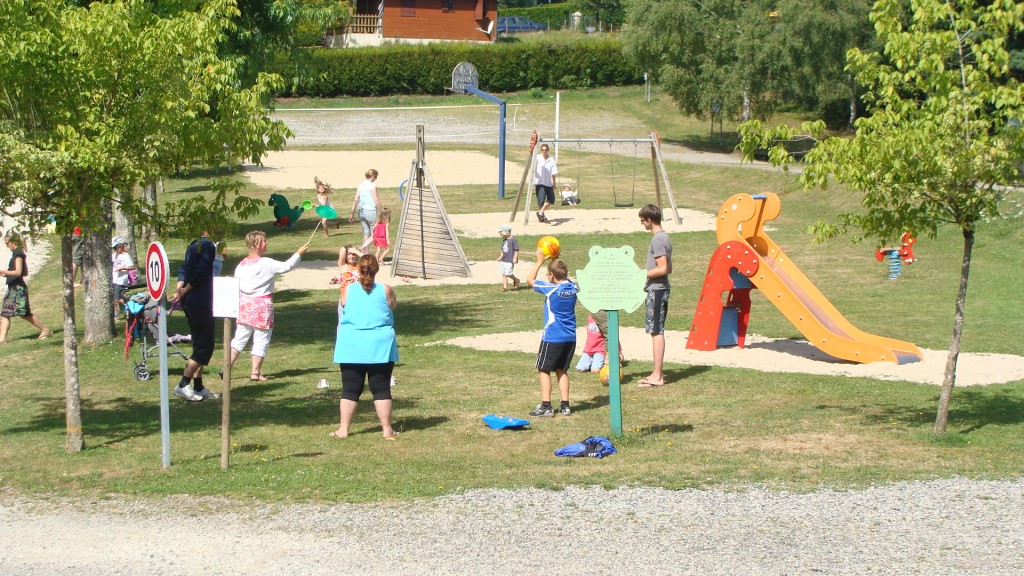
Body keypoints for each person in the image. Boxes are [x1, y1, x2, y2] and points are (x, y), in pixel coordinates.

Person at [223, 231, 308, 382]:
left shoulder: (241, 265)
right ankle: (255, 373)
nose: (267, 243)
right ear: (256, 244)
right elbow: (286, 266)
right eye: (264, 241)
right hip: (262, 305)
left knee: (239, 339)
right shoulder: (266, 263)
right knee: (261, 339)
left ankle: (226, 368)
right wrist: (299, 253)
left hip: (245, 306)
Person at [330, 254, 399, 440]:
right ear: (376, 269)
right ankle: (386, 430)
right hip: (380, 345)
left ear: (358, 270)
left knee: (350, 388)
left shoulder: (348, 289)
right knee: (382, 388)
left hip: (352, 344)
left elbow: (344, 305)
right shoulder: (386, 290)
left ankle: (343, 430)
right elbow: (392, 306)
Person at [526, 247, 578, 417]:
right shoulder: (573, 288)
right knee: (562, 370)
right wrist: (557, 262)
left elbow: (530, 280)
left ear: (550, 276)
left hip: (553, 336)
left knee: (543, 369)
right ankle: (565, 405)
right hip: (570, 337)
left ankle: (546, 406)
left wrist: (540, 260)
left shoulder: (550, 289)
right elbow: (565, 279)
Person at [169, 231, 219, 401]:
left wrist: (180, 290)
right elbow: (200, 273)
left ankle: (198, 387)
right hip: (200, 301)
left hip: (190, 301)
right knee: (205, 346)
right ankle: (183, 385)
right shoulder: (208, 246)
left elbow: (183, 269)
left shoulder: (193, 244)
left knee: (199, 342)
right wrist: (185, 291)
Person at [638, 204, 672, 388]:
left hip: (657, 290)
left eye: (642, 220)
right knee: (655, 330)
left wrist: (640, 274)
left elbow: (663, 268)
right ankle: (656, 373)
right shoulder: (665, 237)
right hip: (661, 288)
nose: (642, 224)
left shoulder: (657, 240)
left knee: (656, 331)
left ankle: (657, 376)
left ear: (649, 220)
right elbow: (669, 268)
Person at [0, 231, 51, 343]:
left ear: (12, 241)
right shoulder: (18, 254)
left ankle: (45, 329)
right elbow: (25, 272)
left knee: (24, 314)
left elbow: (18, 272)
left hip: (18, 289)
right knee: (5, 313)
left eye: (7, 243)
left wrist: (4, 271)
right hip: (14, 287)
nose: (7, 246)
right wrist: (7, 273)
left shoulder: (18, 254)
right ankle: (2, 339)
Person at [349, 169, 381, 251]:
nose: (376, 178)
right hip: (370, 211)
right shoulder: (372, 186)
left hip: (361, 211)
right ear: (373, 176)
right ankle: (363, 248)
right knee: (375, 234)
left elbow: (355, 200)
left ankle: (364, 254)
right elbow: (376, 200)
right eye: (376, 176)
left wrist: (352, 213)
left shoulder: (361, 185)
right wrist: (381, 211)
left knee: (366, 233)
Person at [110, 236, 135, 319]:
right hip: (114, 279)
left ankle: (129, 303)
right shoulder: (116, 255)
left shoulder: (125, 255)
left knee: (116, 298)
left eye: (115, 247)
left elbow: (131, 266)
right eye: (113, 248)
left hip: (121, 280)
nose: (114, 249)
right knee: (114, 297)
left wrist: (121, 268)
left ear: (121, 246)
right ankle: (115, 314)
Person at [532, 144, 558, 223]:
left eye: (545, 150)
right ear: (541, 150)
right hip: (539, 182)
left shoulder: (551, 159)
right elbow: (532, 166)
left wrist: (554, 183)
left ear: (548, 150)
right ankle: (541, 217)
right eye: (542, 150)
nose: (544, 151)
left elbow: (553, 172)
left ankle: (541, 212)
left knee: (551, 199)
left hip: (548, 182)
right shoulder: (537, 158)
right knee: (541, 200)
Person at [497, 224, 520, 292]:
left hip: (510, 259)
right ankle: (505, 288)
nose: (500, 233)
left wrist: (515, 258)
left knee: (508, 273)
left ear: (506, 232)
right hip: (504, 259)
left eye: (501, 232)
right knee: (504, 274)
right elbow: (502, 250)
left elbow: (516, 250)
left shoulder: (513, 240)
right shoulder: (504, 240)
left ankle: (516, 280)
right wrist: (500, 256)